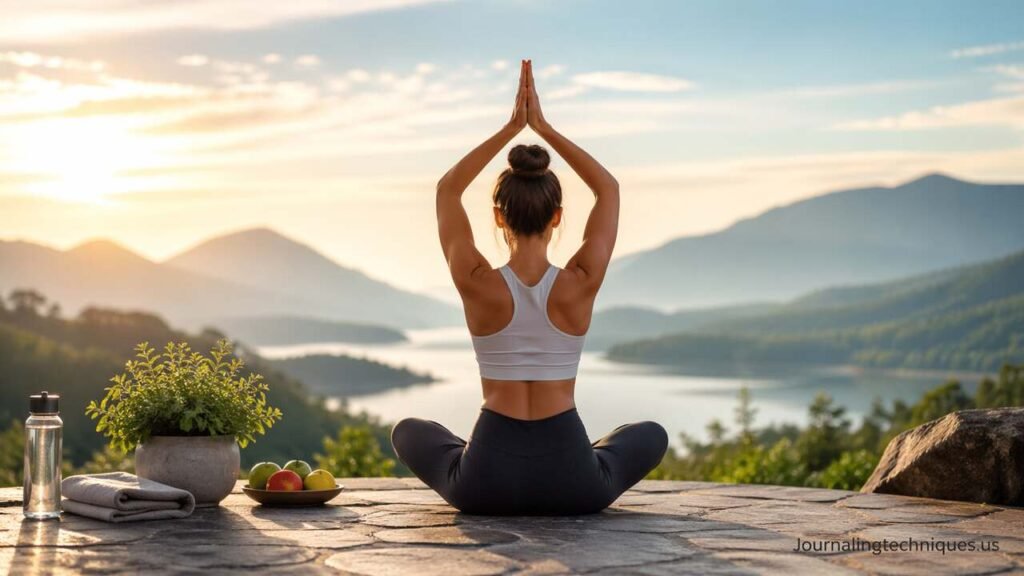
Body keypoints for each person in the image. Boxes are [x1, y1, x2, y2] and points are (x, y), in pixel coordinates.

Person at [390, 60, 667, 515]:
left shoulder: (477, 283)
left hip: (484, 482)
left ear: (498, 216)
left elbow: (446, 191)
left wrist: (511, 128)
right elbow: (609, 190)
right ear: (558, 216)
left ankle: (475, 453)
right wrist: (543, 127)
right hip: (574, 482)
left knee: (408, 429)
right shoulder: (580, 282)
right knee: (650, 433)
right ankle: (578, 457)